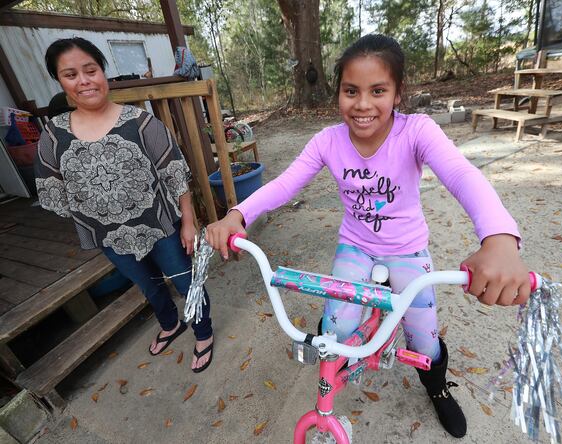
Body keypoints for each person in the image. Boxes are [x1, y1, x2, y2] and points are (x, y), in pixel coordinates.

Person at [206, 34, 530, 437]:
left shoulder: (417, 132)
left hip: (407, 250)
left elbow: (463, 176)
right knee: (336, 333)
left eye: (378, 91)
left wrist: (499, 238)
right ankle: (340, 349)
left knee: (425, 345)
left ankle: (438, 389)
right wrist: (238, 214)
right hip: (356, 245)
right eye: (350, 91)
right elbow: (286, 184)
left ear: (397, 94)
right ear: (338, 93)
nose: (362, 104)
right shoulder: (327, 140)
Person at [34, 38, 214, 373]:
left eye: (91, 70)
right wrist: (92, 210)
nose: (84, 80)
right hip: (110, 237)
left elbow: (175, 172)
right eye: (71, 74)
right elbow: (51, 189)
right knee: (148, 286)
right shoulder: (54, 135)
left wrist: (188, 221)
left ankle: (203, 332)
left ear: (103, 71)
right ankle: (171, 324)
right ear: (59, 81)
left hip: (161, 227)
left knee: (186, 281)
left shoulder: (141, 123)